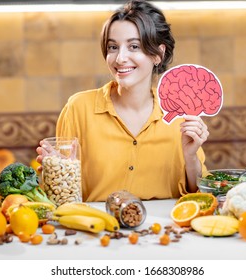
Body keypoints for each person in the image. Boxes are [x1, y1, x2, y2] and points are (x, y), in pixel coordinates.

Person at [36, 0, 209, 202]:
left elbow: (201, 198)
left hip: (166, 229)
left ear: (158, 54)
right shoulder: (78, 108)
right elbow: (63, 197)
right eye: (113, 47)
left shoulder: (180, 115)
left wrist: (190, 157)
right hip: (98, 229)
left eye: (134, 46)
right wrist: (58, 173)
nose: (120, 58)